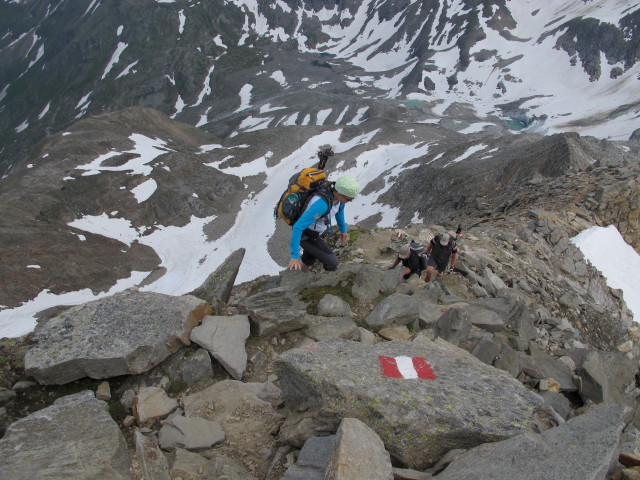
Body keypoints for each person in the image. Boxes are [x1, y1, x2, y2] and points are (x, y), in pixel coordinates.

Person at [288, 176, 360, 272]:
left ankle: (300, 275)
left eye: (352, 199)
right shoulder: (321, 205)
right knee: (332, 262)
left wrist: (343, 230)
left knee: (310, 258)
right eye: (348, 199)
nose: (350, 201)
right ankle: (323, 280)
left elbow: (339, 212)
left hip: (315, 232)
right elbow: (298, 227)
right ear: (338, 193)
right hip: (306, 235)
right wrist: (294, 255)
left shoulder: (339, 200)